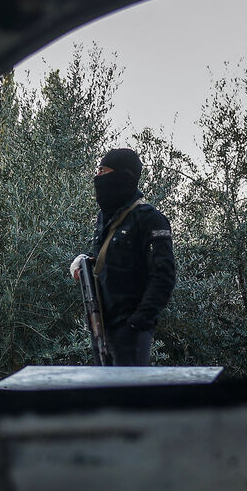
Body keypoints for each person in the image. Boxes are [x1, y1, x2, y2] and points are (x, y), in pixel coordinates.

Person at [71, 148, 175, 365]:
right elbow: (111, 258)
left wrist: (138, 323)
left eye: (102, 171)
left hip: (131, 331)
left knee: (131, 395)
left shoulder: (150, 219)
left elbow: (163, 276)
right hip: (102, 327)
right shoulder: (105, 219)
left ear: (122, 177)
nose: (97, 177)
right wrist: (86, 261)